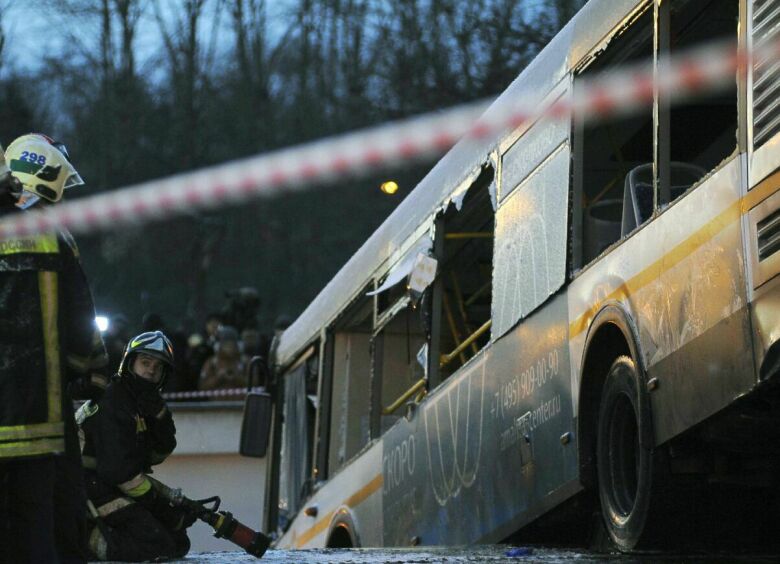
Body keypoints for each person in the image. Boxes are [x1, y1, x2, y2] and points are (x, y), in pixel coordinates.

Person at [0, 135, 110, 563]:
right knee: (42, 527)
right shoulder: (50, 234)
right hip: (38, 419)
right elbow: (83, 331)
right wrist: (93, 374)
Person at [78, 331, 195, 561]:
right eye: (145, 362)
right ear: (129, 364)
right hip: (82, 485)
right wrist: (161, 506)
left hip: (105, 482)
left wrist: (160, 418)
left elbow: (156, 455)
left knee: (178, 541)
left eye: (158, 367)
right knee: (156, 543)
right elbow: (119, 472)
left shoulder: (140, 404)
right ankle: (79, 541)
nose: (151, 370)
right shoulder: (113, 402)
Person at [198, 325, 248, 399]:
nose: (229, 348)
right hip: (217, 406)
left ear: (238, 345)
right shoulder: (212, 362)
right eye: (226, 345)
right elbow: (202, 386)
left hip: (241, 404)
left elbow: (254, 384)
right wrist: (219, 378)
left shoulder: (245, 361)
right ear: (218, 346)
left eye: (232, 345)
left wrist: (236, 378)